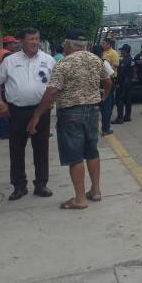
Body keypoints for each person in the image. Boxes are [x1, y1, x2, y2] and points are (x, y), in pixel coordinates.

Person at [26, 28, 111, 210]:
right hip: (92, 111)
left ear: (68, 44)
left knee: (75, 156)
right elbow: (109, 81)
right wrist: (103, 97)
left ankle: (80, 199)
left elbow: (52, 92)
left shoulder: (64, 64)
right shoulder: (96, 60)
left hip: (71, 113)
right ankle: (95, 191)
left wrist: (36, 116)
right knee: (92, 151)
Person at [0, 28, 56, 201]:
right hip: (17, 111)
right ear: (21, 41)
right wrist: (0, 102)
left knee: (41, 148)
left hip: (41, 110)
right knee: (17, 149)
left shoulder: (48, 60)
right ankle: (19, 186)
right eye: (31, 39)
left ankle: (41, 184)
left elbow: (56, 85)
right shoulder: (10, 61)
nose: (35, 42)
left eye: (37, 38)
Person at [99, 39, 119, 135]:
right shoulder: (103, 56)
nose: (102, 45)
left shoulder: (113, 53)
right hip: (104, 82)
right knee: (107, 106)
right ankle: (105, 128)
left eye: (104, 43)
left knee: (107, 106)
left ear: (109, 44)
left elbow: (115, 65)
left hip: (109, 79)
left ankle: (105, 127)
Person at [112, 44, 134, 124]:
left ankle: (120, 118)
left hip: (123, 83)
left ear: (125, 51)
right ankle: (127, 116)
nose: (121, 51)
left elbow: (121, 74)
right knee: (128, 100)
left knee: (119, 100)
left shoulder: (125, 60)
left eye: (122, 50)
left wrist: (117, 83)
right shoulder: (131, 59)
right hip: (129, 82)